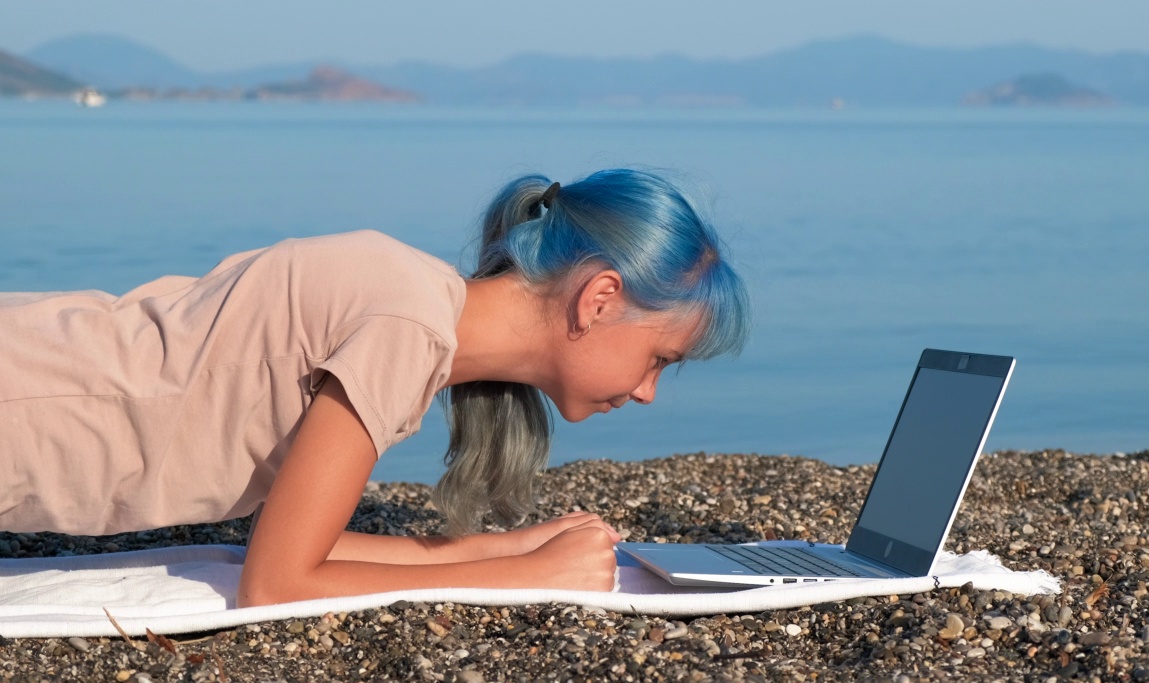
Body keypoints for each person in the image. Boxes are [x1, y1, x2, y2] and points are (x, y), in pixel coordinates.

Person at [0, 168, 750, 607]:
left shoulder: (409, 303)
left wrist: (497, 549)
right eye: (661, 357)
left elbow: (299, 547)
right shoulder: (405, 329)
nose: (649, 391)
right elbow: (279, 583)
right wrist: (521, 577)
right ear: (599, 299)